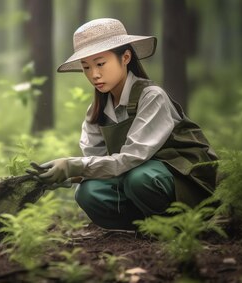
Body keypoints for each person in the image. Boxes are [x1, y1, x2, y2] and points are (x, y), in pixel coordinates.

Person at [29, 18, 218, 230]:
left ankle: (175, 227)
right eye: (86, 67)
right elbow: (99, 164)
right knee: (88, 192)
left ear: (126, 57)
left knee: (139, 178)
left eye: (100, 64)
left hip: (183, 182)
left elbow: (132, 157)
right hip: (138, 182)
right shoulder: (96, 112)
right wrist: (65, 175)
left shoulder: (151, 97)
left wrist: (74, 164)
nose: (94, 74)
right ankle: (141, 229)